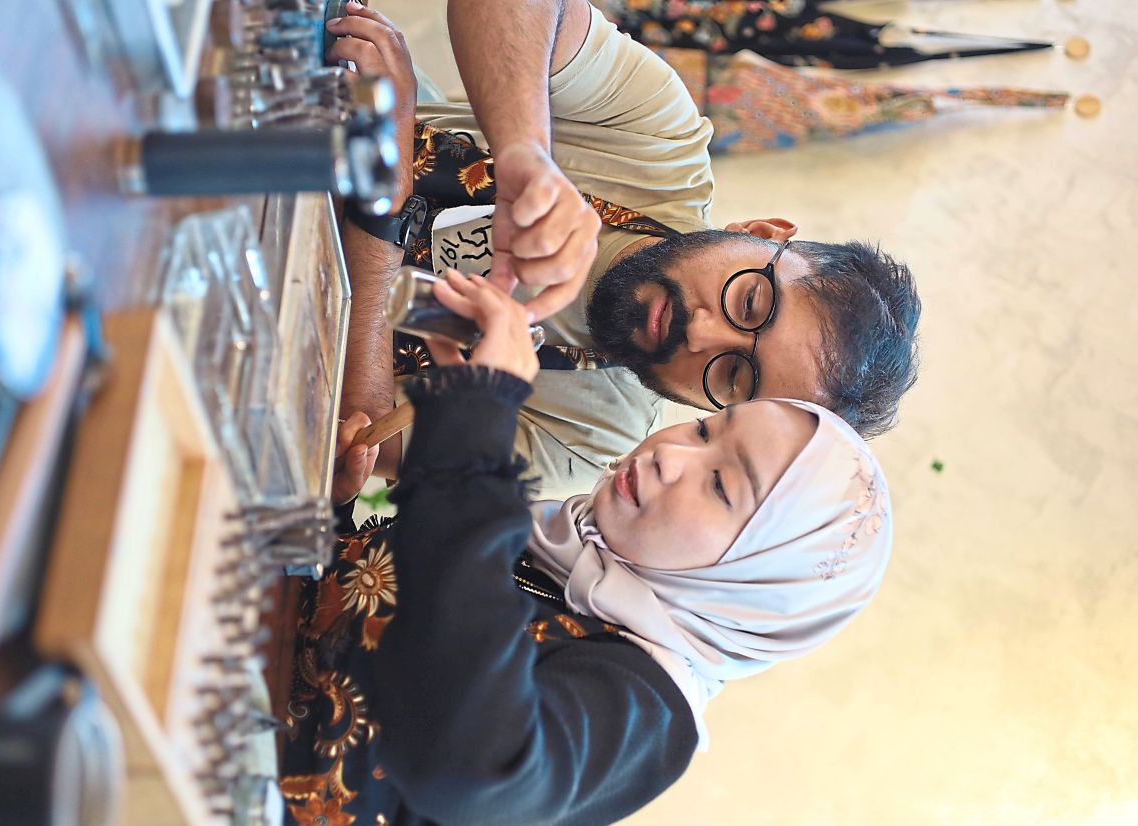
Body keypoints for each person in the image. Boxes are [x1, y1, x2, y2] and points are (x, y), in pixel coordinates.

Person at [281, 270, 894, 826]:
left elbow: (467, 771)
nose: (671, 456)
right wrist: (331, 515)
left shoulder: (645, 712)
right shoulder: (552, 543)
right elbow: (354, 634)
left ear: (757, 582)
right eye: (707, 429)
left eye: (719, 485)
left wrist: (477, 429)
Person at [326, 0, 920, 502]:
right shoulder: (659, 144)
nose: (702, 335)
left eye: (736, 375)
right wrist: (525, 153)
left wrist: (386, 190)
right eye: (748, 301)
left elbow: (361, 439)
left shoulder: (589, 437)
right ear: (762, 233)